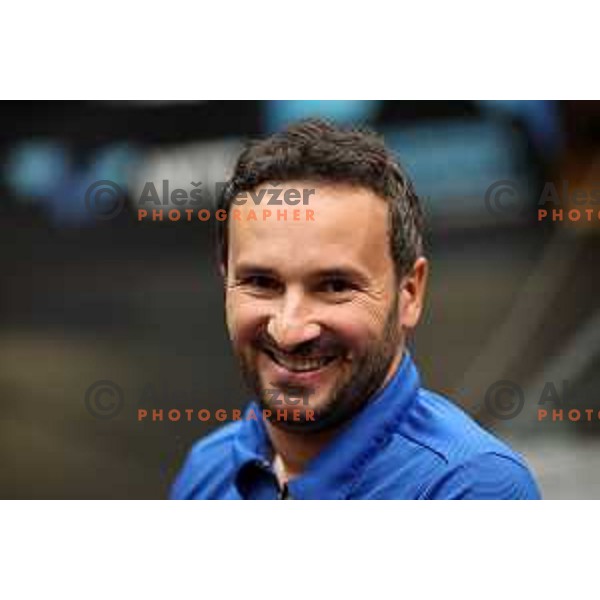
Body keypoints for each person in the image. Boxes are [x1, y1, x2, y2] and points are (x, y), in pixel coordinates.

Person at [170, 119, 541, 500]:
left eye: (334, 286)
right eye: (262, 283)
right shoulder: (208, 467)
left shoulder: (471, 489)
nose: (290, 330)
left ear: (409, 294)